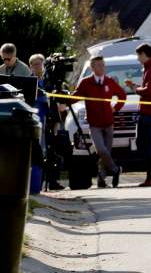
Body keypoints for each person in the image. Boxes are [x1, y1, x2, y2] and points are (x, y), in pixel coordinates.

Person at [72, 56, 126, 188]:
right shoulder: (86, 82)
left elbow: (122, 96)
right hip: (94, 124)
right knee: (101, 150)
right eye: (98, 65)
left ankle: (101, 180)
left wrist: (115, 107)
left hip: (108, 122)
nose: (101, 68)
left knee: (105, 152)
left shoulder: (109, 82)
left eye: (103, 65)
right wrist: (64, 100)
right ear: (92, 67)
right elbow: (76, 95)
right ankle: (115, 169)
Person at [125, 43, 151, 188]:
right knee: (143, 144)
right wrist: (137, 87)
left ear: (144, 54)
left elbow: (150, 91)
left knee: (149, 145)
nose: (137, 58)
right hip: (146, 112)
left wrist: (136, 89)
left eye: (138, 55)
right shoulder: (149, 69)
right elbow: (148, 89)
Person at [28, 54, 65, 191]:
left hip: (48, 121)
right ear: (30, 66)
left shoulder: (48, 81)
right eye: (35, 64)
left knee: (51, 151)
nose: (38, 67)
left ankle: (52, 180)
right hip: (35, 120)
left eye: (40, 64)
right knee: (38, 152)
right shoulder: (30, 81)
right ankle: (37, 182)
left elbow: (54, 102)